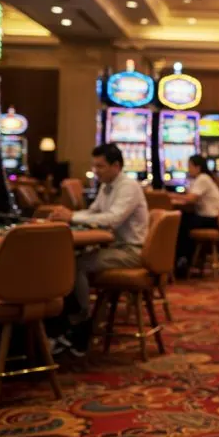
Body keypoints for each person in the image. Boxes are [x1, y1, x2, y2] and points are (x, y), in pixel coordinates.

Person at [48, 143, 149, 355]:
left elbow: (112, 219)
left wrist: (72, 217)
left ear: (116, 166)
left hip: (131, 251)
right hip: (114, 247)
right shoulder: (107, 186)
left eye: (100, 166)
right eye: (94, 166)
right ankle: (62, 323)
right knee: (69, 259)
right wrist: (66, 215)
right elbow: (93, 212)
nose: (96, 171)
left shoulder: (128, 186)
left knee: (77, 264)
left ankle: (80, 323)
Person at [175, 154, 219, 274]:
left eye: (190, 166)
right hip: (211, 217)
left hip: (211, 219)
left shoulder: (203, 178)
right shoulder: (202, 178)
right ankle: (186, 259)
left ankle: (183, 261)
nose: (188, 169)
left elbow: (190, 199)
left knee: (180, 223)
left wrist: (169, 195)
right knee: (183, 219)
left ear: (198, 167)